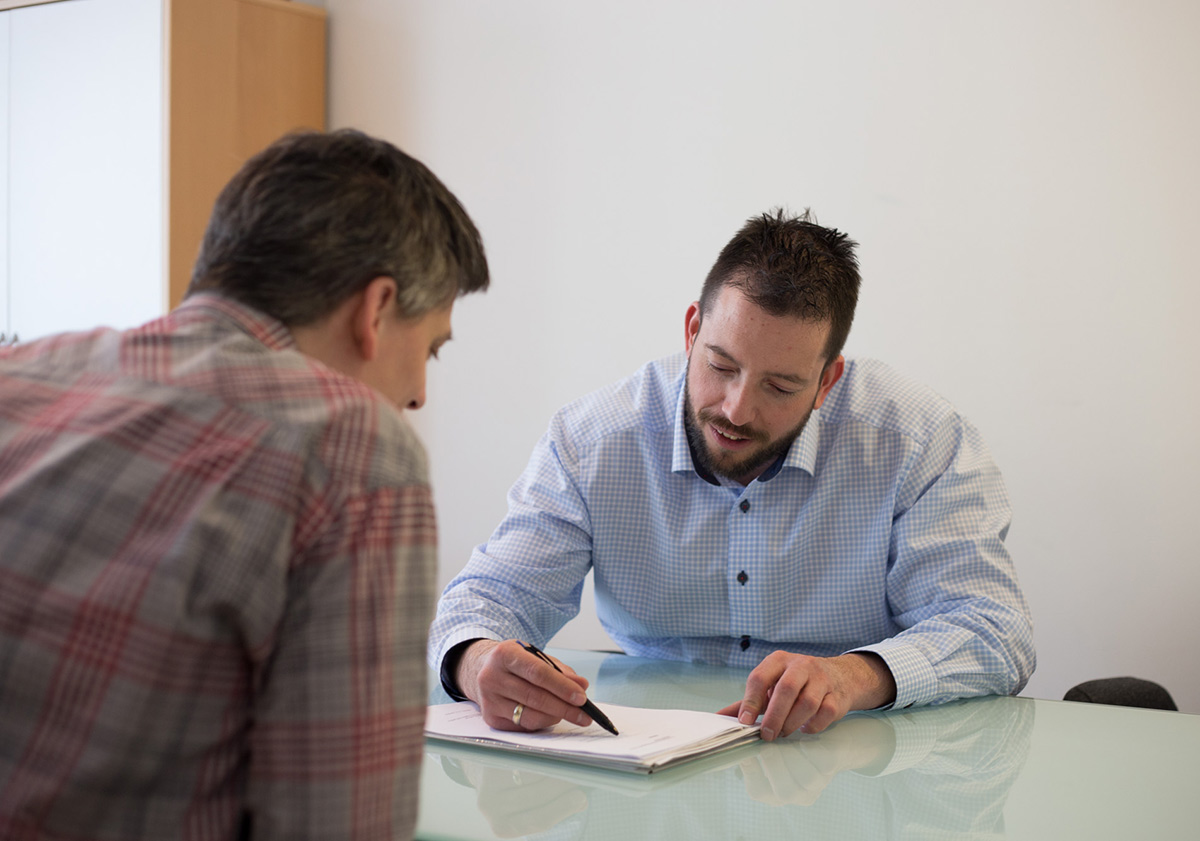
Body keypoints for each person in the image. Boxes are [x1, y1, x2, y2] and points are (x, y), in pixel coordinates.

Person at [0, 130, 488, 840]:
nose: (417, 393)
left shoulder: (23, 374)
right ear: (376, 310)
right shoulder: (352, 444)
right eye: (431, 349)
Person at [428, 208, 1035, 743]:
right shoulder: (592, 441)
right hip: (648, 759)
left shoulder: (919, 442)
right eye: (721, 365)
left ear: (827, 381)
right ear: (693, 330)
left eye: (781, 386)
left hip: (848, 758)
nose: (737, 410)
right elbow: (488, 599)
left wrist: (852, 675)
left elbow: (994, 630)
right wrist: (476, 661)